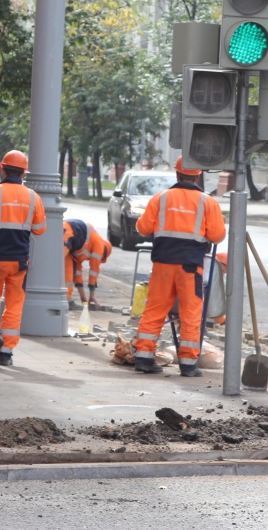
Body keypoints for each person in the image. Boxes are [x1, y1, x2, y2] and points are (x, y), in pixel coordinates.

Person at [132, 156, 226, 377]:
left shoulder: (160, 198)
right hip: (190, 267)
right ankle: (188, 364)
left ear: (177, 174)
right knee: (191, 313)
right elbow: (217, 235)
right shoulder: (207, 202)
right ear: (198, 175)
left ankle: (144, 358)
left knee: (155, 310)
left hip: (163, 265)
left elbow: (143, 227)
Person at [0, 150, 47, 367]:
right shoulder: (33, 197)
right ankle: (6, 353)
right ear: (24, 172)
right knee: (14, 305)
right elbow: (40, 229)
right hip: (19, 262)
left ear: (2, 168)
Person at [63, 220, 113, 310]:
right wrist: (92, 295)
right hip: (68, 231)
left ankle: (67, 300)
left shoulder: (87, 246)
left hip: (70, 236)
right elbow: (94, 271)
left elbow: (78, 274)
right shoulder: (100, 246)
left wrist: (83, 299)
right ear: (104, 253)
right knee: (55, 261)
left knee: (69, 272)